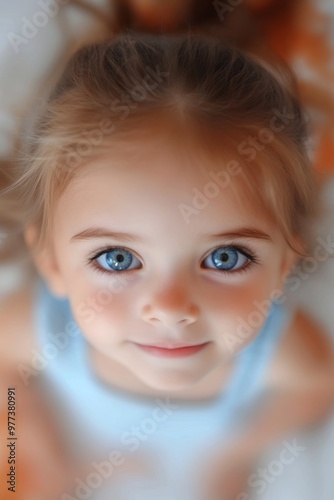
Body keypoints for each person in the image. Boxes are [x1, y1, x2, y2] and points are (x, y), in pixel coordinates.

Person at [0, 33, 333, 500]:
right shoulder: (38, 331)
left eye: (225, 257)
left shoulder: (280, 353)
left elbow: (319, 387)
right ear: (52, 263)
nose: (171, 309)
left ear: (283, 267)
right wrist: (29, 447)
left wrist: (237, 452)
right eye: (117, 259)